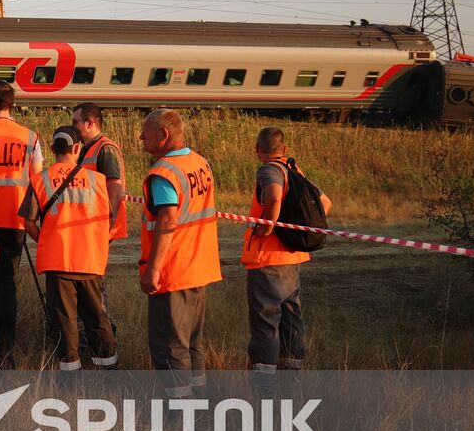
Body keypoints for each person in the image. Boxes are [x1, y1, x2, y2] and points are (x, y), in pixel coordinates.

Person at [137, 109, 222, 398]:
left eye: (146, 132)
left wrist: (153, 269)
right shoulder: (200, 163)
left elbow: (168, 219)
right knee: (192, 344)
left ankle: (180, 414)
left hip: (174, 272)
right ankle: (199, 403)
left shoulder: (163, 173)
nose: (140, 137)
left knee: (170, 347)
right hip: (200, 267)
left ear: (164, 135)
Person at [241, 127, 333, 389]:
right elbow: (325, 203)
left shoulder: (269, 169)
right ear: (285, 149)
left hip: (268, 259)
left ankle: (264, 383)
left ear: (257, 149)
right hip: (293, 258)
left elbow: (272, 196)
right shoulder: (296, 171)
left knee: (265, 322)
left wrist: (269, 225)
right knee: (291, 317)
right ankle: (292, 376)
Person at [21, 126, 116, 370]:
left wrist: (47, 239)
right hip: (90, 260)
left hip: (58, 262)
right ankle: (108, 369)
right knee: (97, 319)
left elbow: (28, 222)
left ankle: (70, 373)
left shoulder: (39, 179)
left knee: (65, 321)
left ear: (52, 149)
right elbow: (109, 217)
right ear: (77, 148)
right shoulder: (97, 180)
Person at [0, 79, 44, 365]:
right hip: (16, 222)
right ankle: (4, 353)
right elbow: (38, 182)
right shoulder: (30, 137)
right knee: (8, 290)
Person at [71, 102, 127, 241]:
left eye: (75, 122)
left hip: (99, 223)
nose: (72, 126)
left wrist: (108, 223)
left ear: (89, 123)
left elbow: (114, 187)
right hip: (91, 221)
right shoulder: (88, 149)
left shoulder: (106, 148)